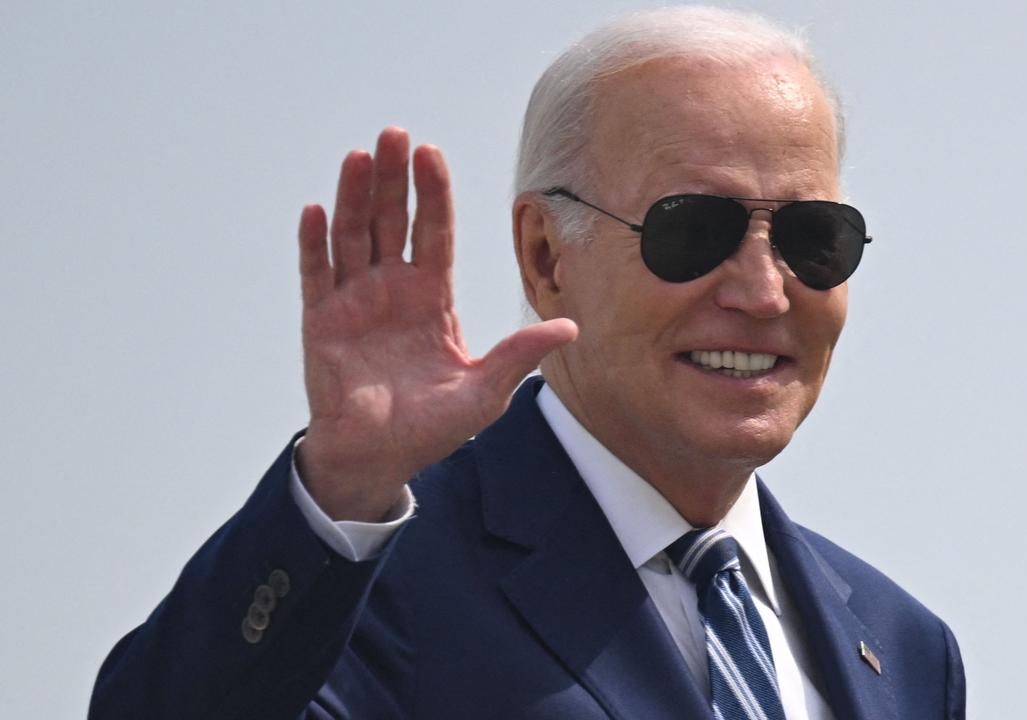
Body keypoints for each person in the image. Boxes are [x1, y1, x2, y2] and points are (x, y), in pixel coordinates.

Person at [91, 7, 965, 719]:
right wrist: (341, 483)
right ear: (547, 256)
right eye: (693, 229)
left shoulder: (907, 651)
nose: (764, 291)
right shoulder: (372, 579)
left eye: (815, 237)